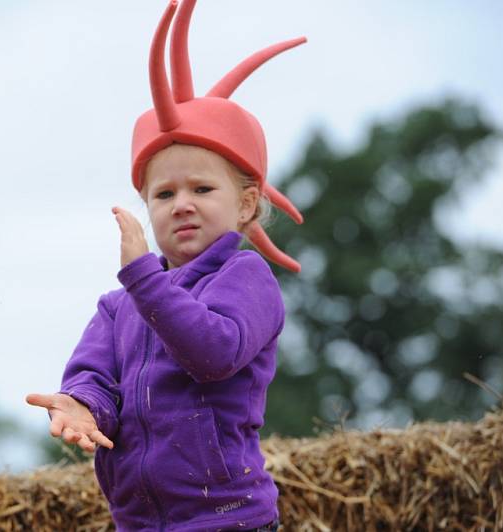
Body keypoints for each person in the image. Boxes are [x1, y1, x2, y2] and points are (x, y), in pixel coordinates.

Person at [27, 1, 306, 530]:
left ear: (246, 205)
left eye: (202, 188)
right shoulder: (118, 307)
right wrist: (83, 405)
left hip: (230, 521)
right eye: (164, 193)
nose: (181, 203)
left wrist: (144, 280)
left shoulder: (247, 278)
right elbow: (94, 376)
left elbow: (214, 353)